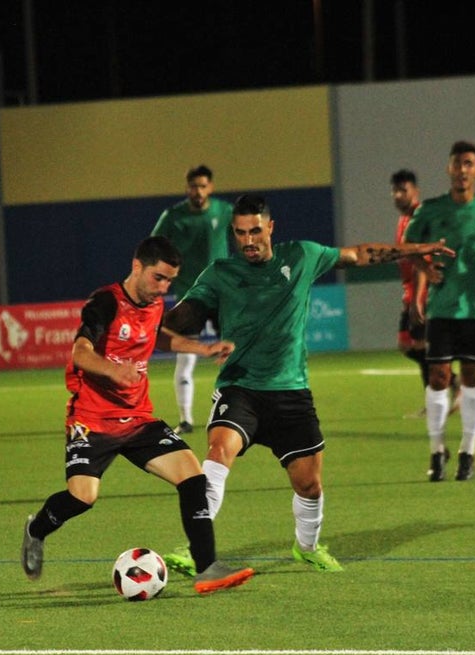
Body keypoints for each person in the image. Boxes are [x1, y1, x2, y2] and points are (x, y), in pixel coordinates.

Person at [162, 194, 454, 573]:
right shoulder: (220, 274)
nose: (248, 241)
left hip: (290, 393)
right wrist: (186, 332)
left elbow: (359, 255)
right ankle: (196, 548)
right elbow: (178, 320)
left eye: (255, 231)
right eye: (239, 234)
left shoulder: (301, 256)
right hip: (240, 388)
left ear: (271, 227)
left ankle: (307, 546)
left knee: (309, 486)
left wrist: (415, 250)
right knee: (218, 454)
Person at [21, 235, 255, 595]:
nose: (162, 288)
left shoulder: (155, 305)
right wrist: (112, 370)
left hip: (137, 418)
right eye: (157, 278)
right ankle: (37, 529)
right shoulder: (105, 303)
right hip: (92, 420)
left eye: (169, 282)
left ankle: (207, 566)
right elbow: (80, 353)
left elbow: (157, 338)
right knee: (83, 497)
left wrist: (202, 349)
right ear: (137, 267)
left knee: (193, 477)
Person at [404, 140, 475, 482]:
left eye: (469, 164)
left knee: (472, 377)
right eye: (457, 164)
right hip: (442, 306)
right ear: (448, 169)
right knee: (437, 377)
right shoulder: (431, 210)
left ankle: (468, 452)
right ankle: (437, 452)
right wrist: (424, 266)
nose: (463, 170)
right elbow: (408, 246)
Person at [150, 165, 234, 434]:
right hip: (190, 296)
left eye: (202, 186)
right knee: (185, 359)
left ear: (210, 187)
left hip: (222, 293)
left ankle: (241, 412)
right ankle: (186, 419)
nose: (197, 191)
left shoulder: (224, 211)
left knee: (236, 353)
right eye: (193, 186)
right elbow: (154, 246)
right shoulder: (173, 216)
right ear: (187, 188)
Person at [390, 169, 460, 417]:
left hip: (421, 291)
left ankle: (446, 387)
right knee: (408, 345)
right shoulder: (403, 219)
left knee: (418, 344)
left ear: (415, 191)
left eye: (403, 190)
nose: (398, 195)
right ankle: (447, 385)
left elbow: (423, 260)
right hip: (410, 289)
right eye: (395, 191)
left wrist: (418, 297)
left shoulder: (419, 217)